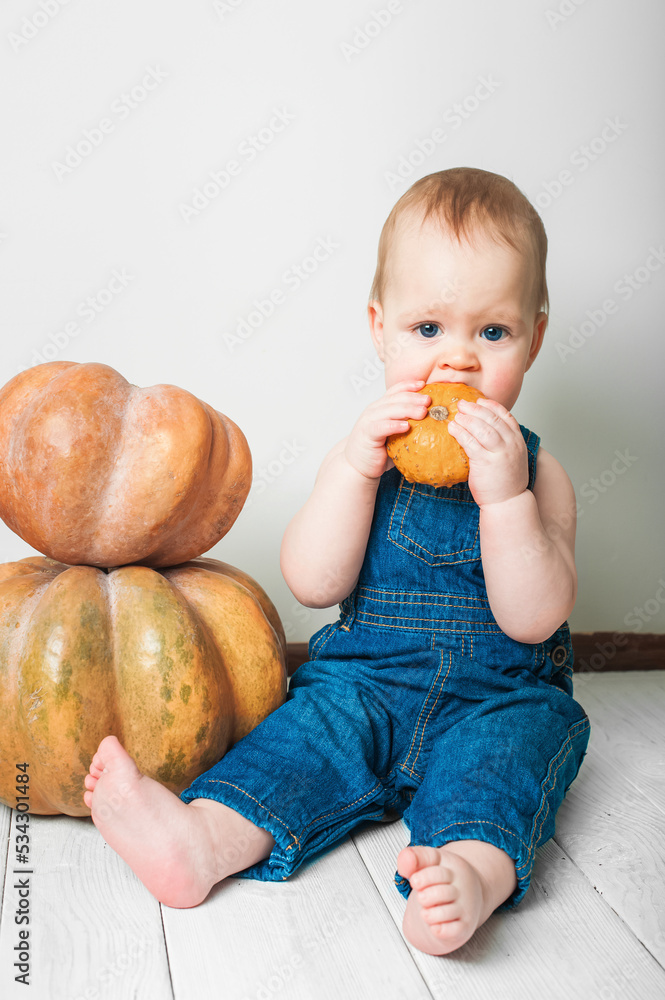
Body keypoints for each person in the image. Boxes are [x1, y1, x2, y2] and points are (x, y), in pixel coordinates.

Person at [83, 166, 591, 957]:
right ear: (378, 328)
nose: (455, 362)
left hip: (498, 695)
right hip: (364, 682)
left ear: (534, 335)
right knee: (302, 740)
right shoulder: (364, 457)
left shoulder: (538, 473)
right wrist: (353, 470)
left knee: (511, 760)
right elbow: (313, 583)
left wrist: (505, 500)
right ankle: (202, 842)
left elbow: (532, 616)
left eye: (490, 334)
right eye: (427, 331)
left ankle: (466, 875)